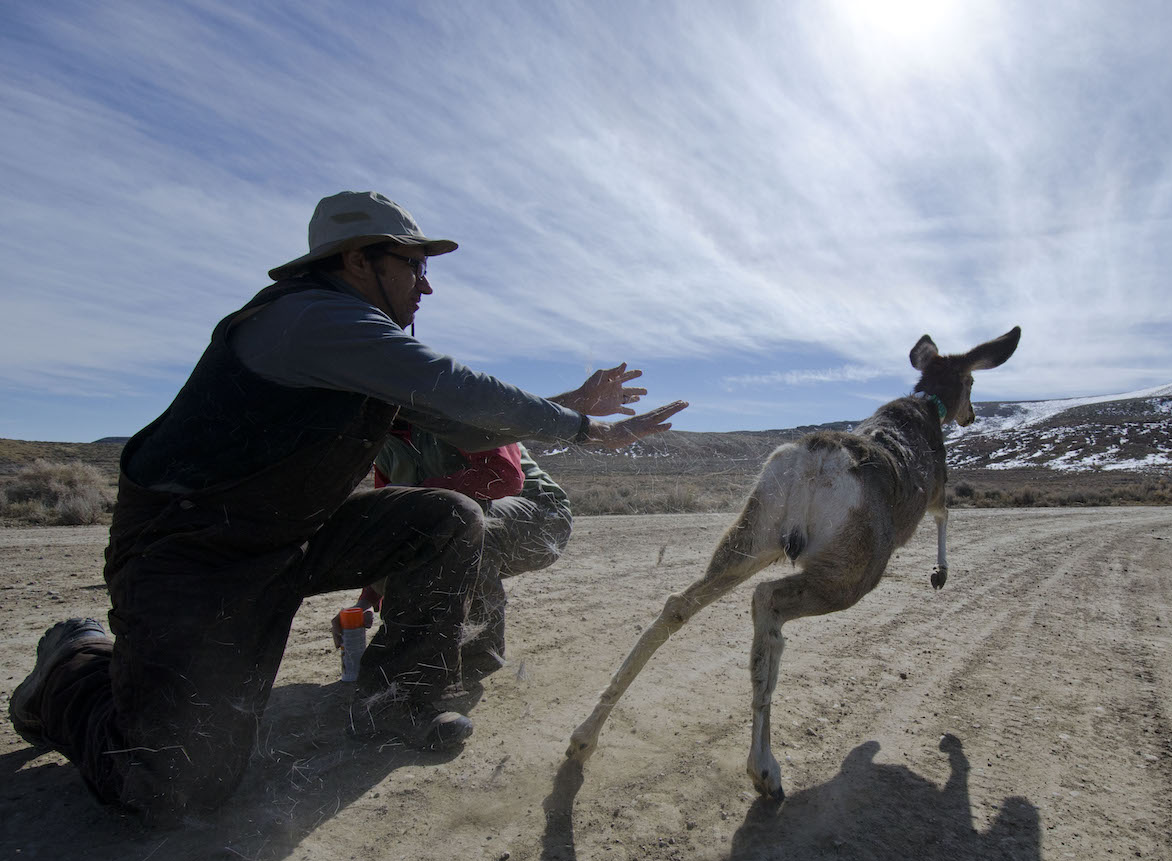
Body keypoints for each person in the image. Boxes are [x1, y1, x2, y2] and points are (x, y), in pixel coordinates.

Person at [8, 190, 686, 826]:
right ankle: (73, 661)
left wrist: (575, 409)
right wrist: (581, 427)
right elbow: (446, 381)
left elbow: (458, 419)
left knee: (446, 520)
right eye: (413, 265)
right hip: (198, 551)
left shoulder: (354, 345)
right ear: (358, 261)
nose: (426, 283)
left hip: (296, 532)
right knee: (167, 783)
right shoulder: (310, 316)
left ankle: (397, 698)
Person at [335, 424, 574, 679]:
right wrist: (367, 600)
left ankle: (478, 655)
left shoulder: (447, 407)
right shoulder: (385, 442)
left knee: (461, 520)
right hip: (469, 518)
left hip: (543, 519)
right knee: (423, 529)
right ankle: (411, 656)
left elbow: (506, 476)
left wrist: (422, 491)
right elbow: (393, 527)